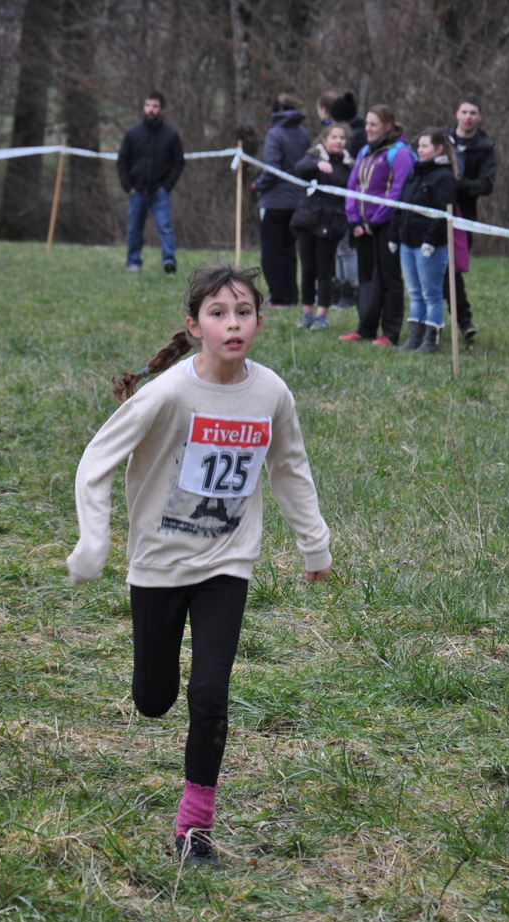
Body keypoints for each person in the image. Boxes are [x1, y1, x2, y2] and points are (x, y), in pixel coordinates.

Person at [66, 264, 331, 870]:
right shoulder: (168, 394)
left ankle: (194, 828)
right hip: (159, 565)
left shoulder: (271, 394)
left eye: (243, 313)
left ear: (259, 322)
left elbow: (290, 468)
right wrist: (93, 542)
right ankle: (156, 696)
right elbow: (95, 462)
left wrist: (314, 545)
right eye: (218, 313)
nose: (232, 324)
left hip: (226, 563)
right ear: (194, 326)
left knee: (210, 693)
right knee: (153, 699)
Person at [341, 104, 416, 346]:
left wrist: (375, 221)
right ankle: (365, 328)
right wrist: (354, 219)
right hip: (361, 225)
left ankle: (390, 332)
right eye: (367, 123)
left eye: (374, 124)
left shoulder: (399, 153)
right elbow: (352, 186)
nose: (368, 128)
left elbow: (398, 191)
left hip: (386, 225)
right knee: (366, 278)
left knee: (389, 277)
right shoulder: (364, 151)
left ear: (387, 126)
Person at [389, 128, 458, 354]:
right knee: (414, 293)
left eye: (425, 146)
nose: (420, 150)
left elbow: (443, 212)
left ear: (439, 149)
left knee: (431, 294)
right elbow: (401, 205)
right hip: (407, 242)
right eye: (419, 146)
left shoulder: (444, 177)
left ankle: (431, 341)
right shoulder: (414, 172)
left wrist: (431, 240)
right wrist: (395, 235)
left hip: (429, 246)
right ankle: (414, 338)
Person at [443, 94, 497, 339]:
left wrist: (459, 185)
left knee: (452, 270)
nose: (468, 117)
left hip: (463, 216)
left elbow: (486, 185)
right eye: (464, 112)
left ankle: (464, 320)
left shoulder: (485, 147)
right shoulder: (442, 138)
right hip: (434, 210)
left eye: (473, 113)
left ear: (480, 117)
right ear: (457, 114)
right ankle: (428, 324)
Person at [291, 122, 353, 330]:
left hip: (332, 223)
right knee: (307, 269)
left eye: (342, 138)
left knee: (325, 271)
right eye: (334, 137)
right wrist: (317, 164)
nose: (338, 141)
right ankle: (307, 312)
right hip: (307, 221)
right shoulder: (312, 157)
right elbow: (299, 169)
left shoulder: (348, 165)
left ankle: (321, 315)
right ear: (324, 140)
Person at [117, 91, 185, 273]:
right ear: (143, 108)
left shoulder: (171, 135)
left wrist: (166, 187)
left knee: (164, 228)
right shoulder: (133, 133)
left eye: (155, 106)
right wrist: (128, 186)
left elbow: (178, 162)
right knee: (134, 230)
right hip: (137, 191)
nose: (151, 110)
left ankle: (169, 261)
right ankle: (133, 262)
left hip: (159, 192)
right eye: (148, 105)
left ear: (162, 110)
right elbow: (122, 161)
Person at [253, 94, 311, 308]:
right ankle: (291, 295)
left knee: (272, 251)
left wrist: (258, 184)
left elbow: (272, 168)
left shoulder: (275, 134)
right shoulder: (303, 133)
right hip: (297, 201)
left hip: (274, 202)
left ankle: (279, 297)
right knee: (289, 250)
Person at [328, 92, 366, 308]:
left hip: (349, 204)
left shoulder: (356, 140)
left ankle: (351, 290)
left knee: (347, 249)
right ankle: (339, 288)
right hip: (336, 204)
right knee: (338, 250)